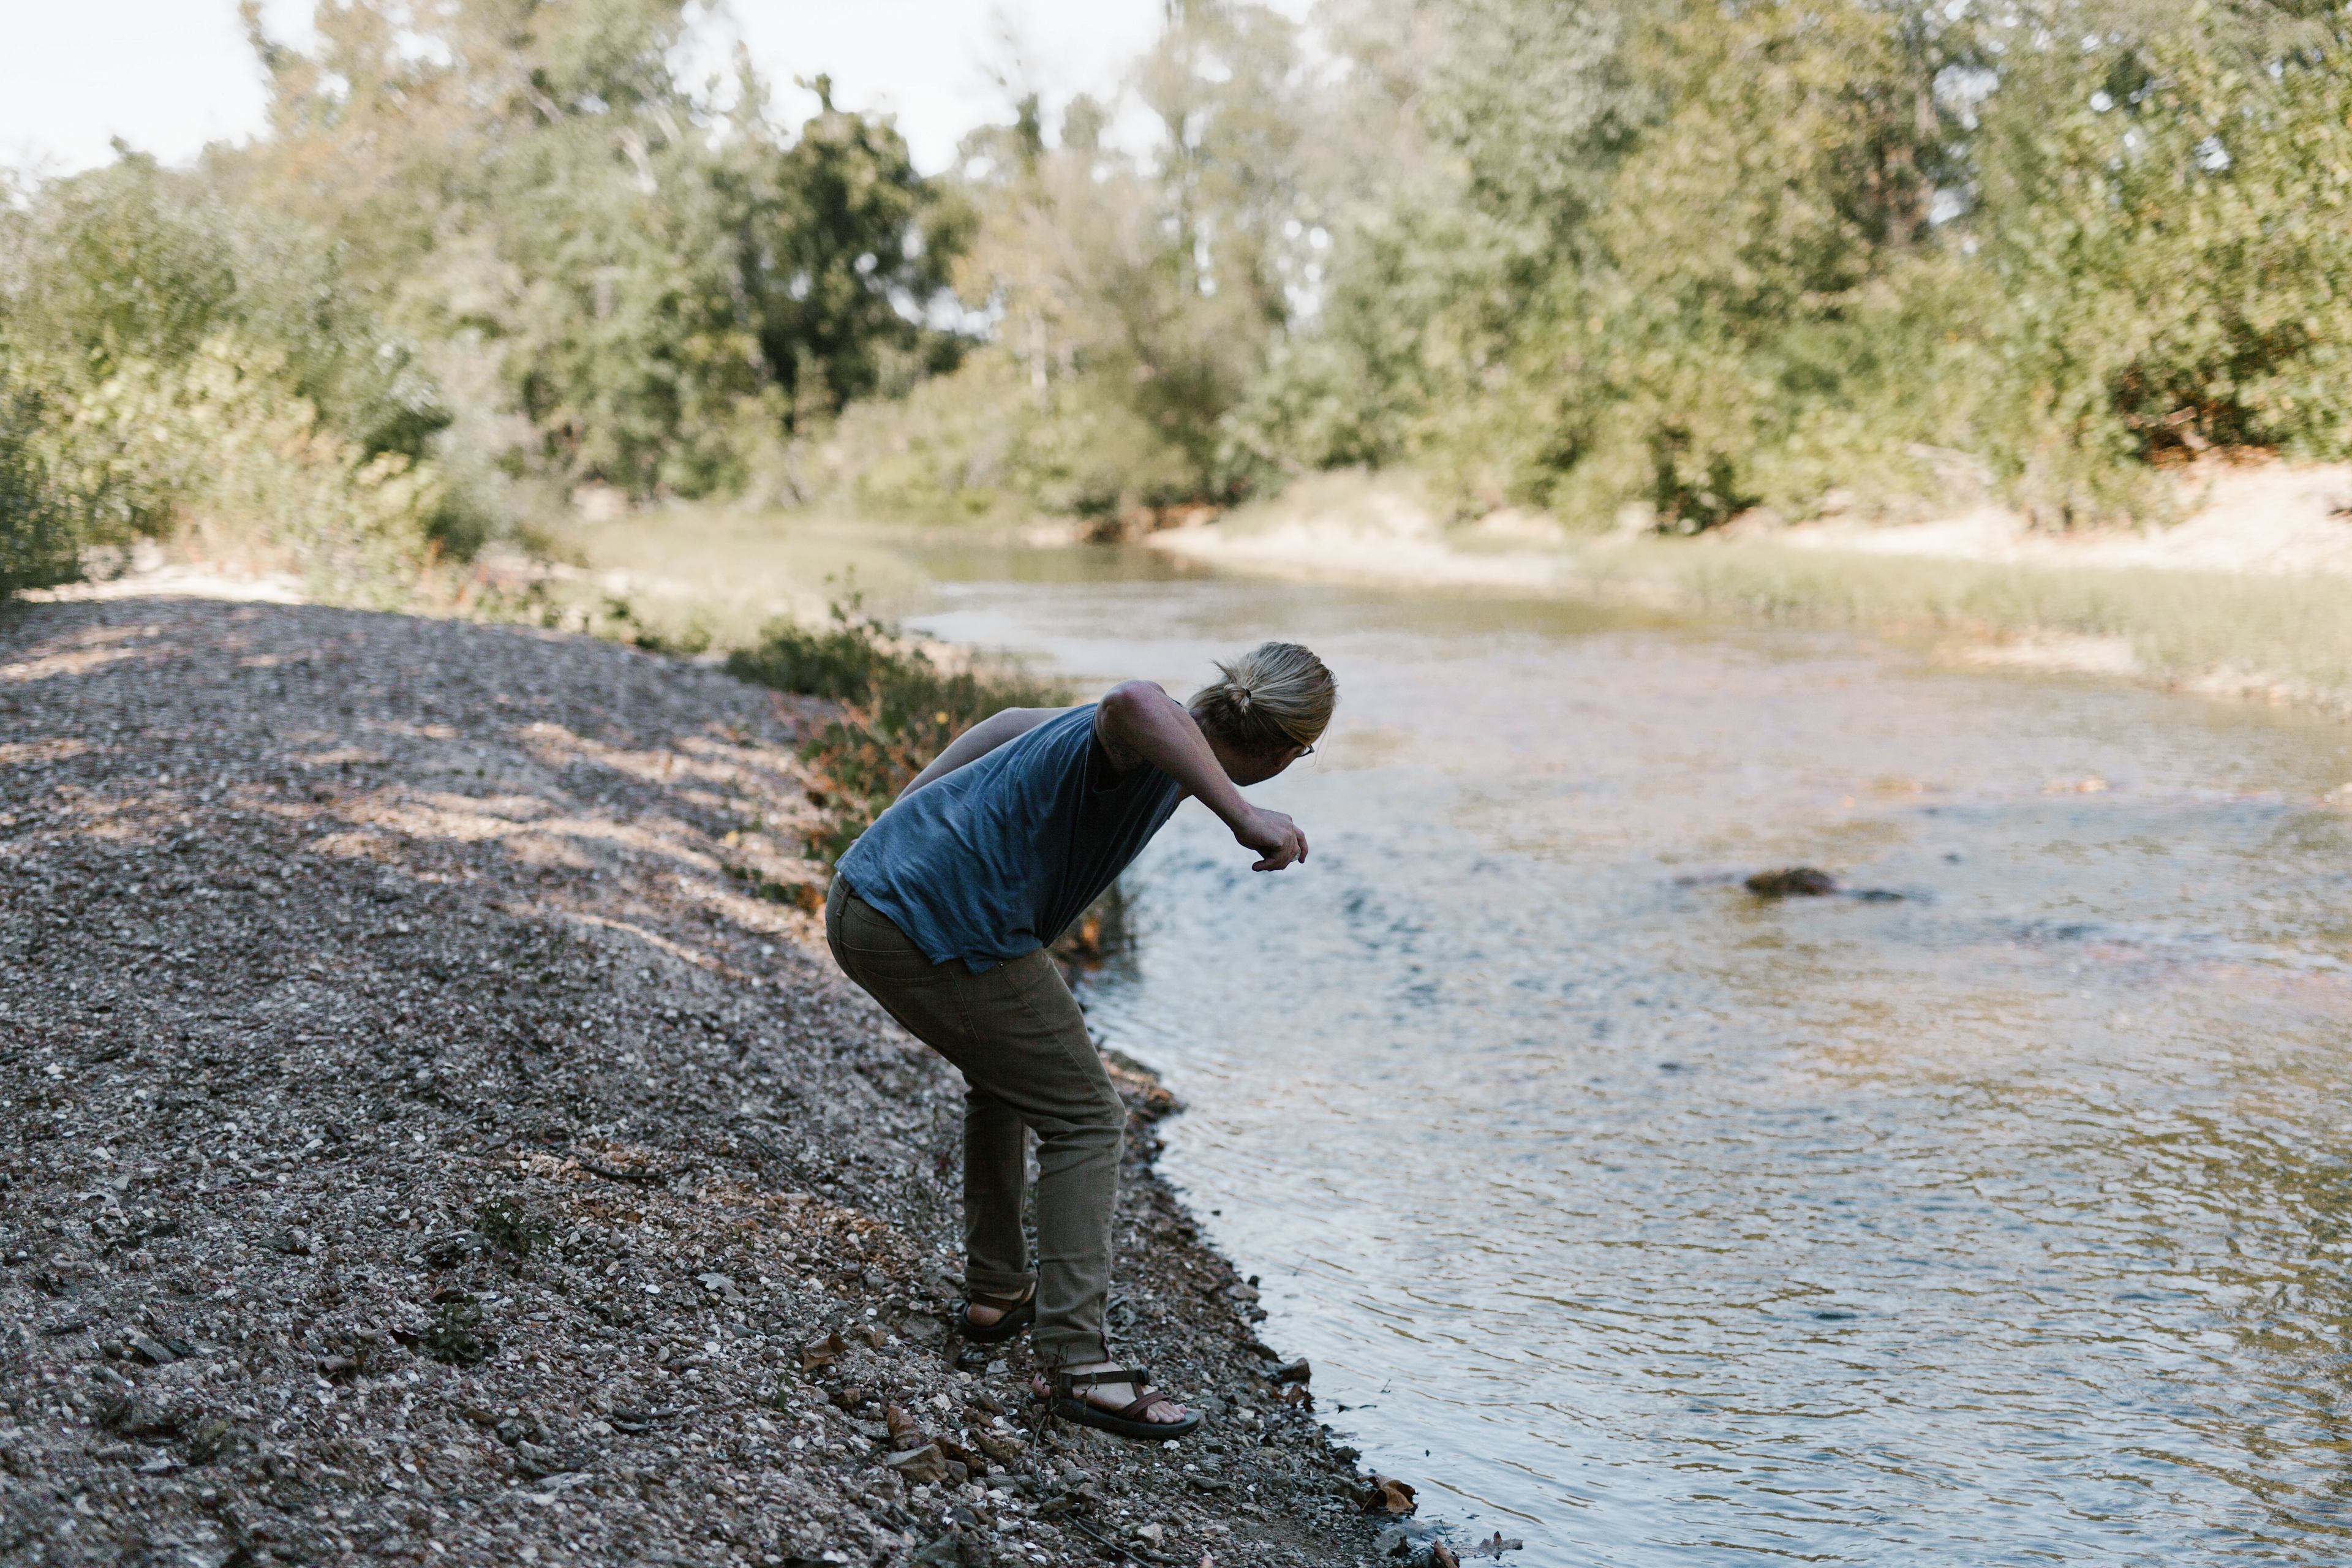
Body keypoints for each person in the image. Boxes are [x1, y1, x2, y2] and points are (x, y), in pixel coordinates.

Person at [824, 641, 1336, 1442]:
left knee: (1010, 1080)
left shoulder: (1153, 751)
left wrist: (900, 829)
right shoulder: (1146, 740)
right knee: (1089, 1116)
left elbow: (1007, 723)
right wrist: (1243, 815)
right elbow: (1135, 697)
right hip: (924, 925)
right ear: (1282, 749)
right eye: (1303, 756)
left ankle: (998, 1293)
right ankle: (1078, 1363)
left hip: (875, 896)